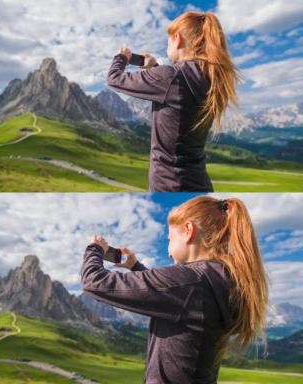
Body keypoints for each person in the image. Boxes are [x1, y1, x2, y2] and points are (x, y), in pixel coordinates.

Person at [80, 196, 268, 383]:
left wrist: (95, 249)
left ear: (188, 230)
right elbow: (177, 298)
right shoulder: (221, 278)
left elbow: (93, 281)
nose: (168, 251)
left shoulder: (191, 280)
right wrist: (136, 267)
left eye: (170, 239)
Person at [107, 12, 240, 192]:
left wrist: (122, 57)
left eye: (167, 41)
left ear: (177, 39)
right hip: (198, 181)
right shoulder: (211, 78)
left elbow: (114, 79)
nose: (166, 46)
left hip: (169, 183)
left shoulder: (170, 76)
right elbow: (177, 95)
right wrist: (154, 69)